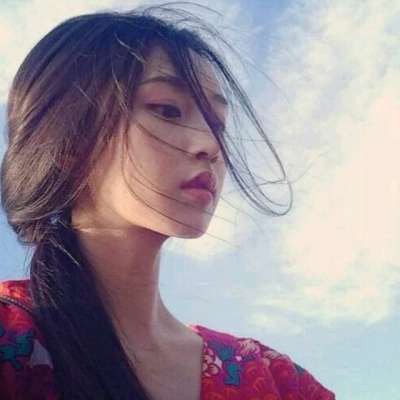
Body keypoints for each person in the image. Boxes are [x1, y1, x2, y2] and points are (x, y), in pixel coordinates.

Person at [0, 3, 335, 399]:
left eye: (217, 124)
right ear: (69, 141)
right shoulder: (11, 341)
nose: (210, 145)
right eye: (168, 110)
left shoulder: (274, 380)